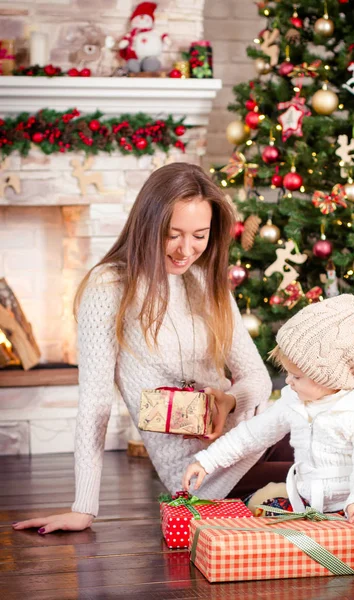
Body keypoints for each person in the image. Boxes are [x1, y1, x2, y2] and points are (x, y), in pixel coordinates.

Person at [12, 162, 272, 535]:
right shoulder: (109, 287)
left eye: (200, 235)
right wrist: (84, 507)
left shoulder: (204, 279)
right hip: (205, 471)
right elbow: (95, 404)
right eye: (173, 234)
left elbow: (257, 378)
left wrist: (229, 402)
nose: (187, 250)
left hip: (252, 432)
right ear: (148, 225)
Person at [183, 288, 354, 556]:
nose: (288, 381)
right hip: (311, 502)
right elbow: (252, 434)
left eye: (296, 376)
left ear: (329, 378)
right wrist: (207, 460)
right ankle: (310, 533)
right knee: (258, 510)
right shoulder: (293, 400)